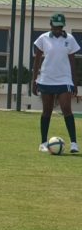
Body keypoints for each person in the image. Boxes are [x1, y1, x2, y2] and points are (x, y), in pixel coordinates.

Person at [32, 13, 80, 153]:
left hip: (64, 79)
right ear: (51, 25)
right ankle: (43, 143)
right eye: (55, 27)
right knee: (47, 111)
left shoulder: (70, 39)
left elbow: (72, 62)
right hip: (46, 79)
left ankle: (74, 144)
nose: (57, 30)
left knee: (66, 108)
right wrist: (34, 80)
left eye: (60, 27)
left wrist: (74, 82)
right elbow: (37, 60)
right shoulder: (43, 38)